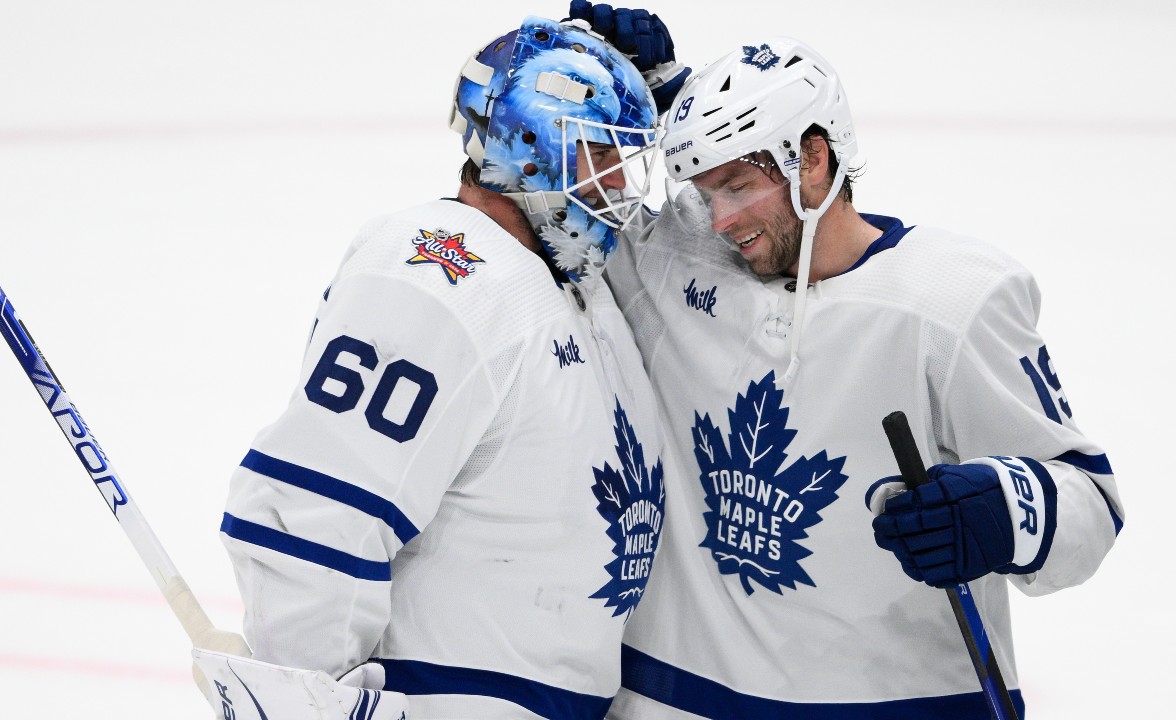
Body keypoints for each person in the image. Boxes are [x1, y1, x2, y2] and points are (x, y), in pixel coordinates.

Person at [600, 32, 1126, 718]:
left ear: (812, 158)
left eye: (739, 186)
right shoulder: (678, 261)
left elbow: (1091, 504)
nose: (722, 219)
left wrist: (1003, 509)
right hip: (678, 697)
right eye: (706, 191)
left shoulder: (949, 304)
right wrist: (653, 91)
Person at [194, 16, 679, 720]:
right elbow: (319, 515)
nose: (616, 184)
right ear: (533, 148)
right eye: (600, 153)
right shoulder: (442, 270)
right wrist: (305, 697)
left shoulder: (578, 290)